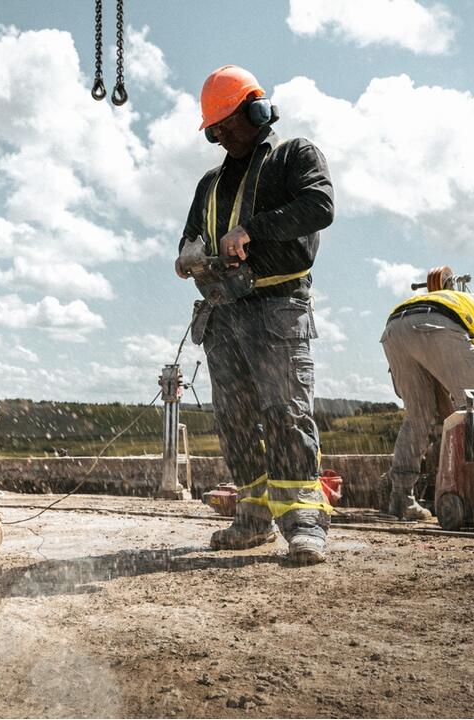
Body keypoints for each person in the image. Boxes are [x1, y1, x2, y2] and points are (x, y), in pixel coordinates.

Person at [176, 65, 335, 564]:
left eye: (228, 125)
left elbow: (319, 206)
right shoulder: (211, 182)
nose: (222, 137)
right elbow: (189, 237)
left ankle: (304, 521)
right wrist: (188, 256)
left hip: (277, 306)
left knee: (286, 413)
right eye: (214, 131)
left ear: (257, 110)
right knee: (236, 419)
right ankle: (252, 516)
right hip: (224, 313)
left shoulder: (294, 155)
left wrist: (253, 229)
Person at [381, 270, 474, 519]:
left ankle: (401, 498)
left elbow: (443, 400)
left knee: (418, 417)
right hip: (439, 323)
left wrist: (453, 424)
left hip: (396, 327)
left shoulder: (473, 313)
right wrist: (473, 421)